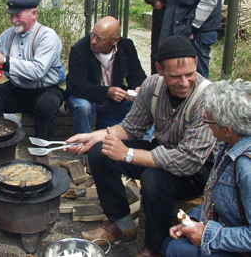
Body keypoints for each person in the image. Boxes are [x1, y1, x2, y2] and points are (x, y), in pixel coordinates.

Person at [66, 35, 217, 257]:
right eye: (175, 77)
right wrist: (94, 137)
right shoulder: (151, 86)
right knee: (101, 151)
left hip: (197, 169)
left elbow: (188, 161)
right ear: (159, 69)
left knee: (153, 180)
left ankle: (152, 249)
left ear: (196, 62)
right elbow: (131, 128)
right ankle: (120, 222)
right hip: (162, 150)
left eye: (189, 74)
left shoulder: (207, 97)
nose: (184, 83)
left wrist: (128, 154)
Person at [163, 79, 251, 257]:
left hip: (240, 246)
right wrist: (194, 220)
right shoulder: (230, 147)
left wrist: (207, 234)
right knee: (169, 243)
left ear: (227, 130)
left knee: (176, 250)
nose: (206, 124)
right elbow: (222, 202)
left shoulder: (246, 167)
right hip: (226, 228)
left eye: (208, 121)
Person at [0, 0, 64, 143]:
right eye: (11, 15)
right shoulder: (8, 34)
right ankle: (1, 140)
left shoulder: (47, 36)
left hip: (43, 90)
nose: (13, 20)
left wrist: (6, 61)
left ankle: (41, 147)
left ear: (34, 14)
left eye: (18, 15)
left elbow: (37, 71)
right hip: (15, 90)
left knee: (48, 104)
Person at [65, 16, 147, 134]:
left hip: (114, 100)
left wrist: (137, 89)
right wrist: (107, 92)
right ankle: (83, 147)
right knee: (83, 107)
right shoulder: (79, 49)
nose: (93, 41)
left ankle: (138, 144)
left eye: (100, 39)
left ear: (115, 40)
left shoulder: (126, 46)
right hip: (86, 97)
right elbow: (77, 85)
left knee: (143, 103)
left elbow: (137, 75)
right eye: (92, 35)